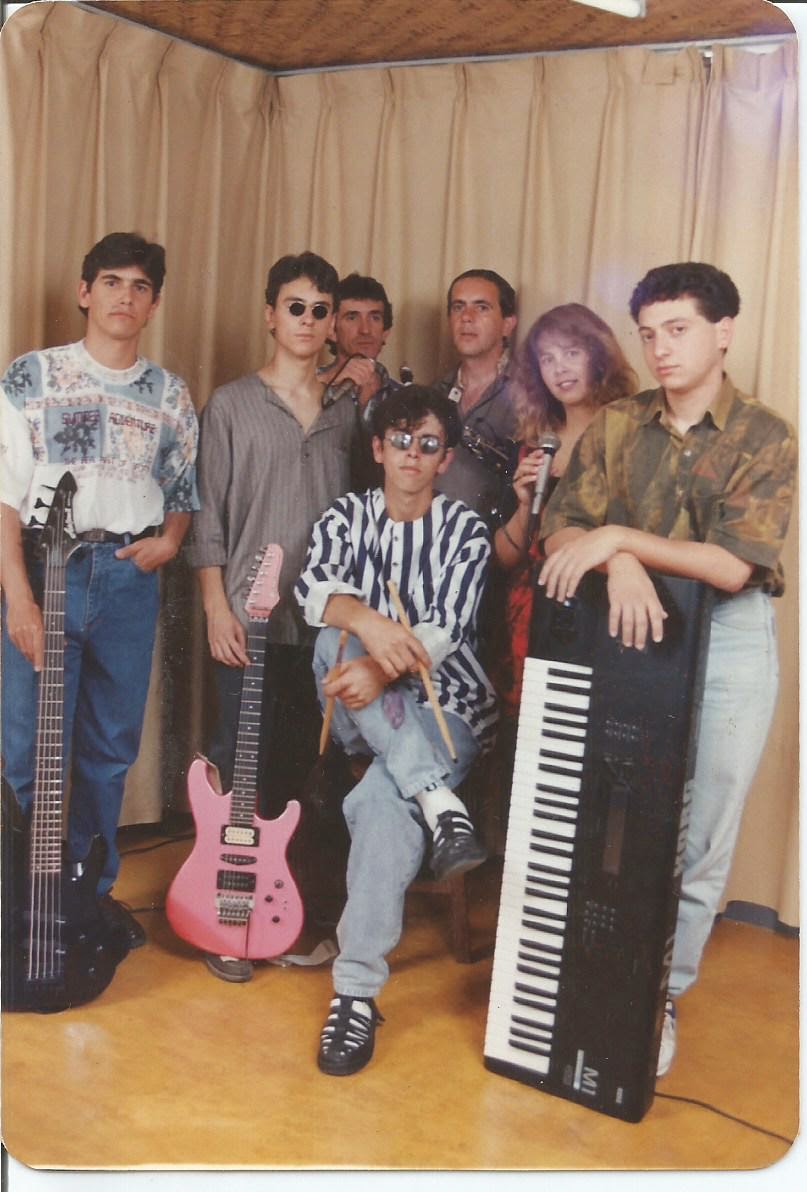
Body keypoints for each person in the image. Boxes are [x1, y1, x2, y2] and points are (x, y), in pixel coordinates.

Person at [538, 262, 796, 1078]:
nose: (659, 349)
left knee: (701, 835)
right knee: (610, 818)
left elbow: (731, 564)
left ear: (723, 331)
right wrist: (614, 561)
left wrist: (618, 539)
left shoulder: (766, 435)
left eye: (677, 330)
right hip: (626, 630)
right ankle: (589, 982)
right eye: (648, 334)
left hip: (727, 640)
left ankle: (660, 996)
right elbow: (558, 532)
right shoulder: (615, 424)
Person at [0, 231, 199, 949]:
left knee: (108, 750)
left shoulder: (169, 394)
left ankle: (87, 901)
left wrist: (169, 542)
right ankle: (20, 901)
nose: (125, 296)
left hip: (125, 580)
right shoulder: (32, 377)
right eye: (111, 281)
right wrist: (18, 598)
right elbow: (3, 496)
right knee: (27, 748)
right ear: (85, 292)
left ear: (153, 304)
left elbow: (183, 488)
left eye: (140, 286)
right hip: (45, 570)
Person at [295, 385, 497, 1076]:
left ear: (446, 459)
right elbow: (314, 594)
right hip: (353, 710)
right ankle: (440, 803)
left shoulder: (465, 530)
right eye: (401, 441)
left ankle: (354, 995)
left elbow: (446, 629)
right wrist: (370, 625)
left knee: (382, 801)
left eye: (428, 444)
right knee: (334, 638)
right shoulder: (346, 516)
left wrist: (382, 668)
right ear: (378, 449)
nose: (413, 455)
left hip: (448, 707)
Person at [188, 250, 357, 983]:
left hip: (320, 630)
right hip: (246, 622)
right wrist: (214, 607)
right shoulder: (229, 405)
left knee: (302, 776)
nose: (308, 321)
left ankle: (280, 917)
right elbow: (207, 516)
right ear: (270, 314)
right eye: (296, 307)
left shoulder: (349, 413)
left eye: (321, 311)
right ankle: (225, 919)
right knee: (240, 769)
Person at [491, 303, 637, 720]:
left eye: (572, 353)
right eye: (547, 358)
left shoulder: (632, 432)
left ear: (599, 356)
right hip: (533, 614)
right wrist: (524, 505)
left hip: (606, 609)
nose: (560, 369)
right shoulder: (536, 444)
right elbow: (505, 557)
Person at [433, 269, 518, 526]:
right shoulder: (434, 394)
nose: (467, 317)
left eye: (481, 308)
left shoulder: (532, 397)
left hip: (499, 545)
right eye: (458, 307)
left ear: (507, 324)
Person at [318, 272, 400, 490]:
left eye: (375, 318)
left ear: (386, 332)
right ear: (332, 330)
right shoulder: (307, 387)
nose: (365, 329)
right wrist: (330, 382)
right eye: (352, 317)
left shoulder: (402, 398)